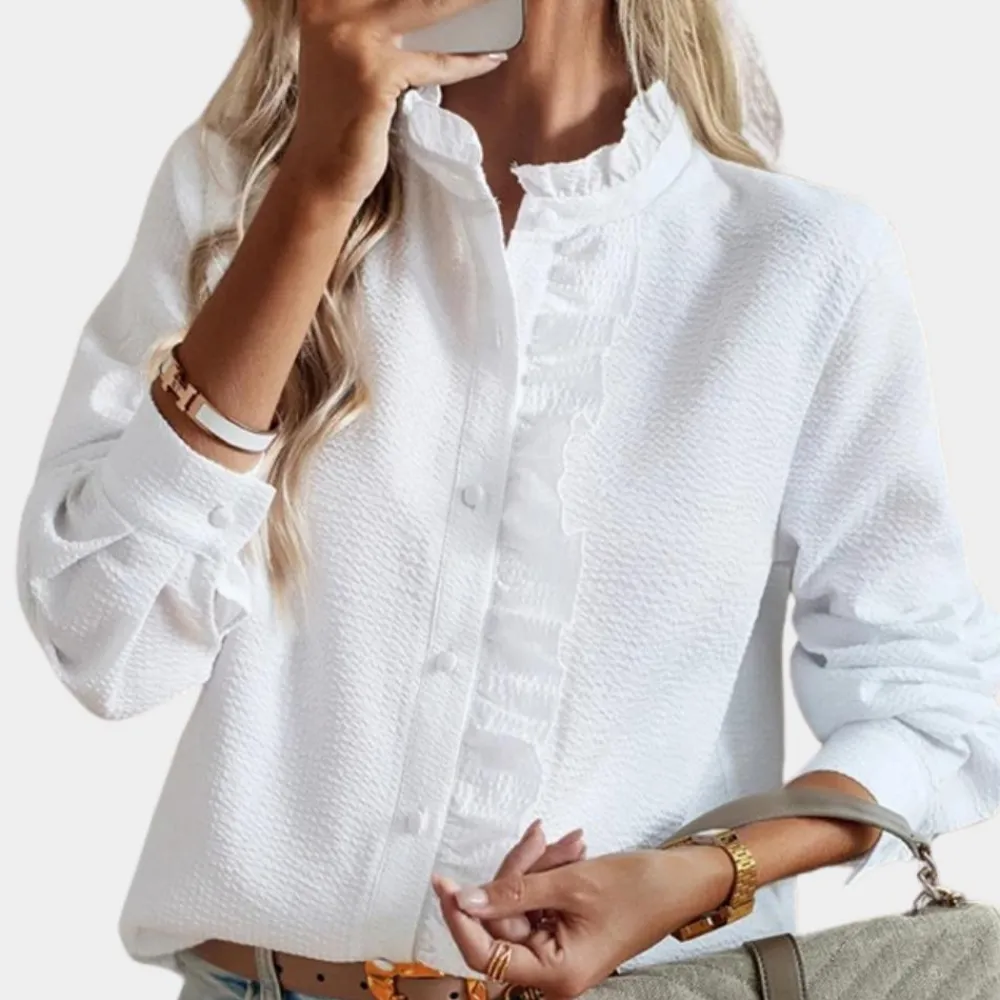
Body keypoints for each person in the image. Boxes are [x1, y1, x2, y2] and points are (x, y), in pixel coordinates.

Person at [16, 0, 1000, 998]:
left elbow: (928, 705)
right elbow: (107, 643)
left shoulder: (798, 262)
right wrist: (313, 191)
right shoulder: (238, 192)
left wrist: (701, 875)